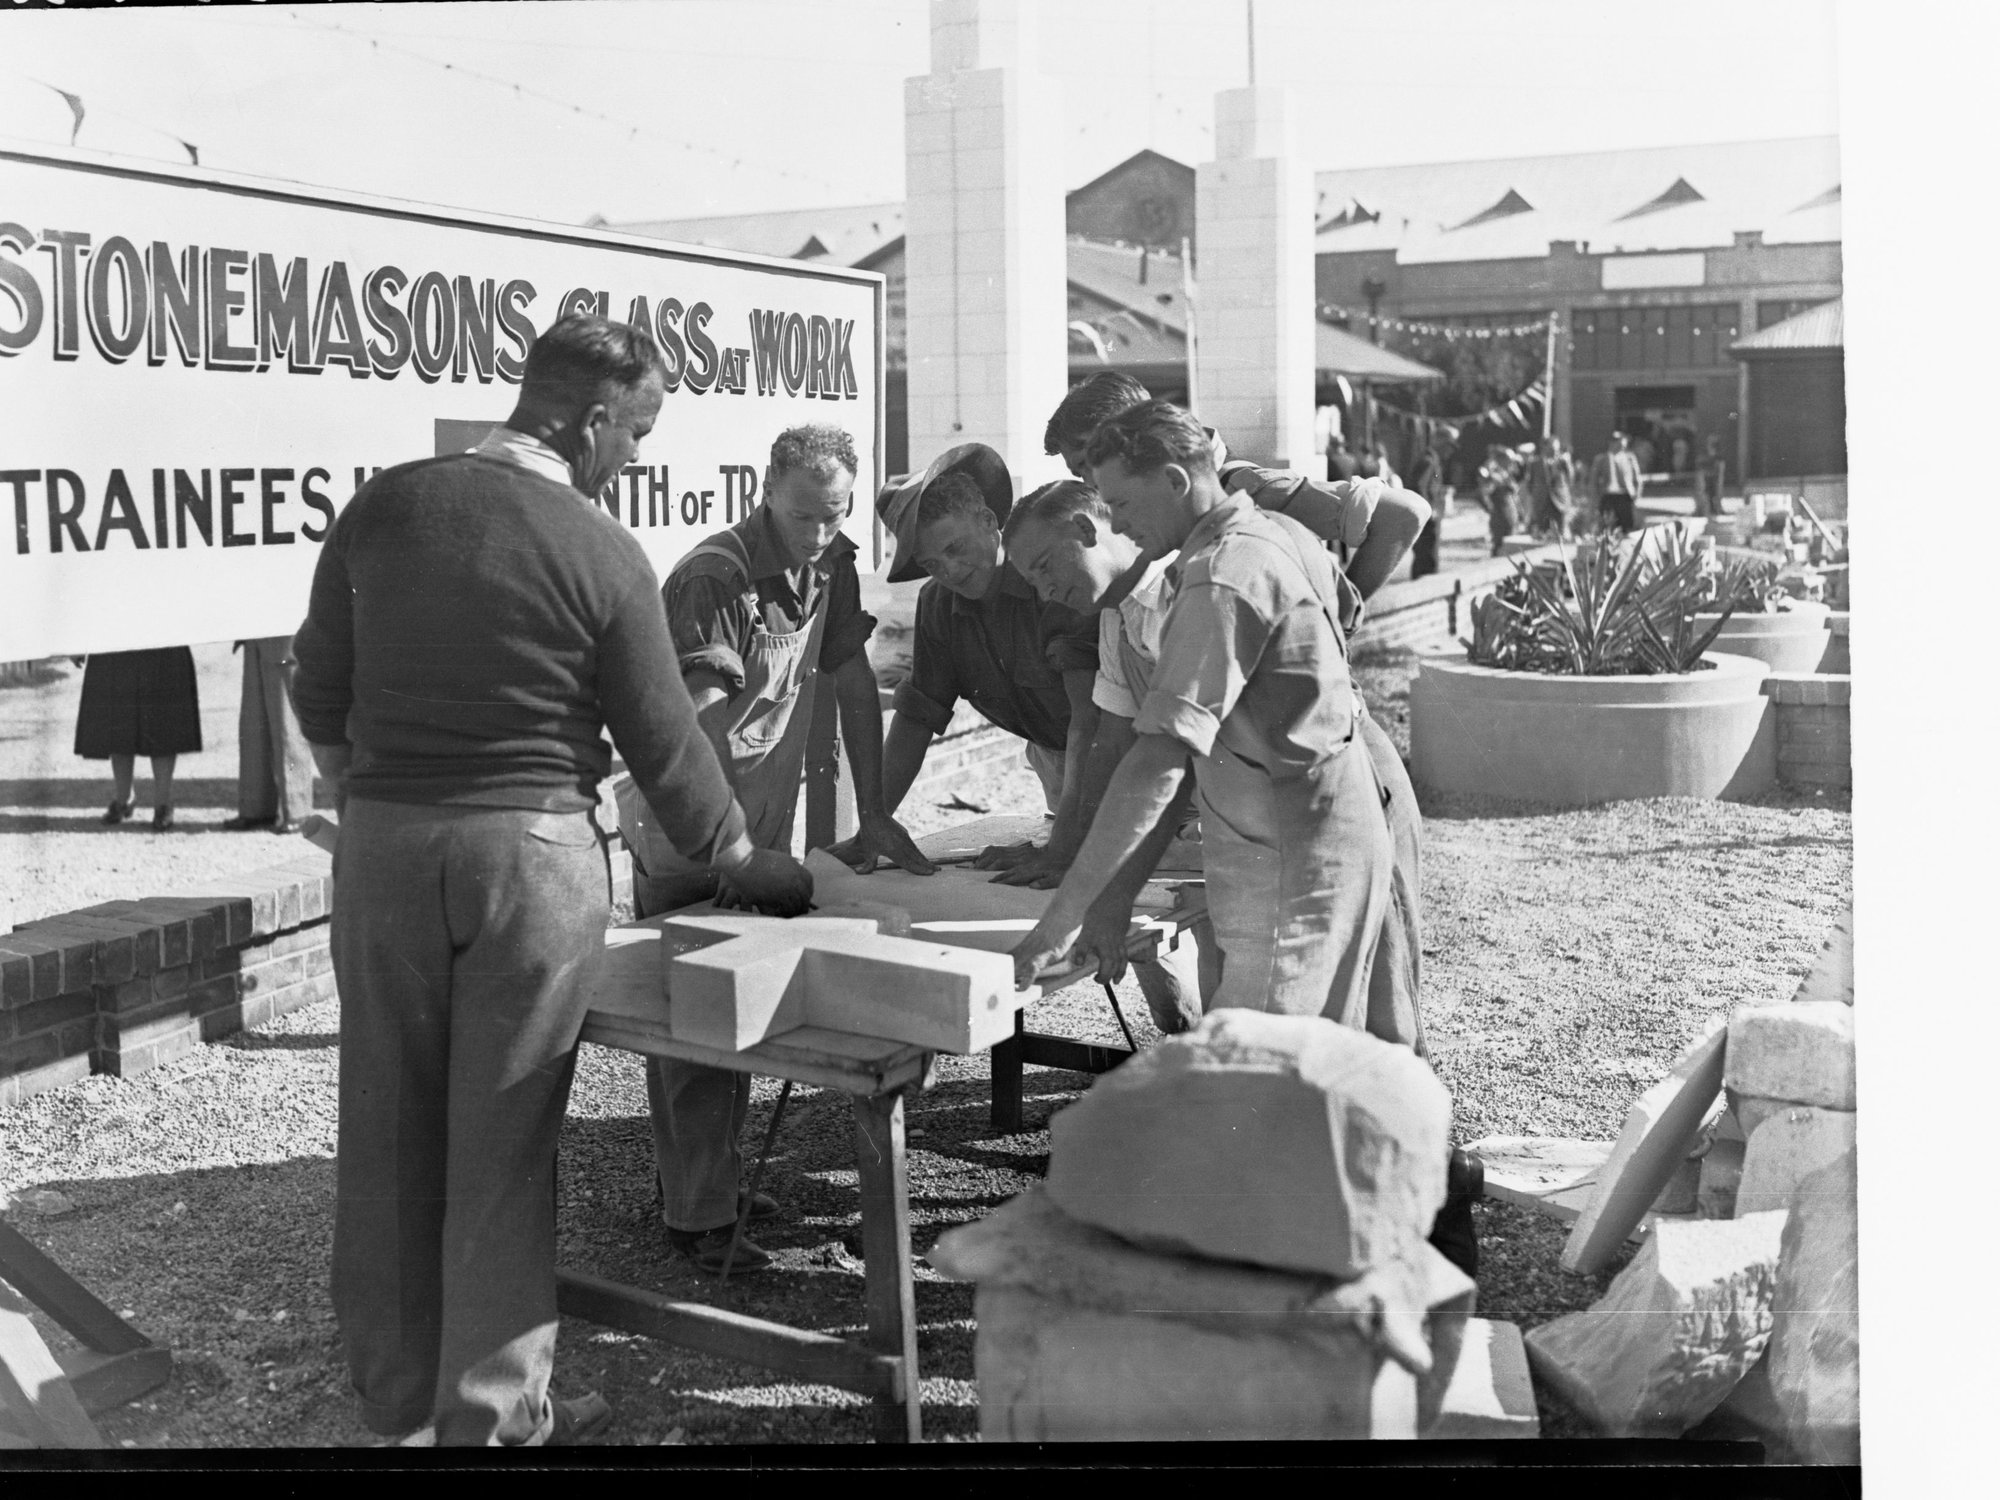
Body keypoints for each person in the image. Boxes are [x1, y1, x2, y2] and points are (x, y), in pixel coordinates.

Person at [292, 313, 813, 1448]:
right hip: (530, 862)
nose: (632, 455)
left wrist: (373, 793)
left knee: (385, 1128)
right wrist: (740, 858)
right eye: (635, 433)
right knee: (501, 1147)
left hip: (384, 851)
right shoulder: (598, 546)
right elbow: (669, 748)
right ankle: (493, 1416)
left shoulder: (385, 507)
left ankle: (394, 1403)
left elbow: (315, 685)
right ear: (590, 419)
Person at [614, 423, 934, 1276]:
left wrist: (874, 812)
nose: (820, 533)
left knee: (743, 999)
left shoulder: (833, 562)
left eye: (835, 514)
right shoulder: (714, 578)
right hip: (689, 820)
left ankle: (709, 1183)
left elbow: (853, 680)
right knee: (695, 1003)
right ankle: (697, 1219)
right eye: (803, 516)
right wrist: (732, 851)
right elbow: (697, 728)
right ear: (766, 490)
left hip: (755, 815)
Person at [1004, 472, 1430, 1053]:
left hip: (1314, 823)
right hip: (1249, 829)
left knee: (1370, 1018)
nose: (1045, 592)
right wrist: (1093, 881)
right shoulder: (1121, 615)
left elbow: (1163, 765)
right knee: (1271, 1036)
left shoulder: (1211, 582)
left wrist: (1078, 911)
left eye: (1045, 567)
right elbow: (1120, 748)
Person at [72, 646, 201, 831]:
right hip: (115, 641)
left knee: (162, 720)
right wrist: (74, 644)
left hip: (163, 640)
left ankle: (163, 804)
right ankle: (123, 798)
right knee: (118, 718)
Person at [220, 635, 315, 834]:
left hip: (283, 634)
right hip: (256, 631)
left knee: (286, 722)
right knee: (254, 725)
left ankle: (297, 810)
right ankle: (256, 809)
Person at [1405, 430, 1452, 579]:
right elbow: (1417, 486)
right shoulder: (1428, 461)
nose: (1449, 451)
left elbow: (1429, 485)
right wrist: (1430, 509)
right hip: (1427, 519)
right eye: (1448, 445)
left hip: (1430, 518)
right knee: (1427, 559)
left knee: (1428, 556)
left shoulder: (1433, 461)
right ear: (1439, 442)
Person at [1590, 429, 1644, 533]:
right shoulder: (1601, 459)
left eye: (1622, 441)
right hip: (1607, 496)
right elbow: (1594, 481)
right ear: (1611, 443)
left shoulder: (1629, 458)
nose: (1621, 444)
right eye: (1617, 442)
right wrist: (1595, 497)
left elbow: (1637, 478)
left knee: (1626, 526)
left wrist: (1636, 494)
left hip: (1624, 495)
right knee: (1606, 526)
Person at [1482, 445, 1521, 556]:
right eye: (1509, 460)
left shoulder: (1507, 474)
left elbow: (1515, 493)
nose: (1512, 463)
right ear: (1501, 460)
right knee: (1499, 547)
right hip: (1500, 517)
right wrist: (1490, 508)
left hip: (1510, 515)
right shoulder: (1495, 475)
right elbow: (1484, 493)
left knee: (1510, 547)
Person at [1698, 435, 1727, 518]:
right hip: (1707, 479)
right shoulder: (1704, 456)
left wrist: (1719, 482)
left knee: (1716, 495)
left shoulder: (1718, 457)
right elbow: (1701, 470)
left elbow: (1721, 470)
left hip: (1715, 479)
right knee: (1707, 495)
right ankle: (1708, 510)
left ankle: (1716, 509)